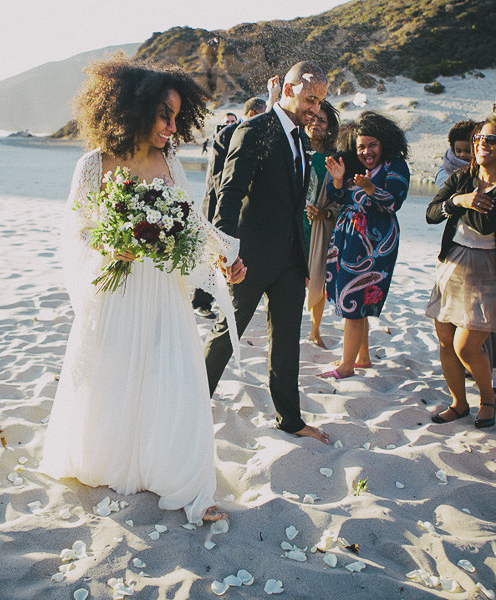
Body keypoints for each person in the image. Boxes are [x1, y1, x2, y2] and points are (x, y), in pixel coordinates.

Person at [40, 57, 246, 523]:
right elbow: (77, 231)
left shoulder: (168, 160)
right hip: (116, 291)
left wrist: (225, 256)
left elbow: (191, 219)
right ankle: (107, 459)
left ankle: (182, 477)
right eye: (164, 115)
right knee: (112, 375)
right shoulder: (93, 164)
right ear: (132, 109)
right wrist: (114, 246)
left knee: (173, 376)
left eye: (177, 116)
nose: (173, 127)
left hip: (163, 291)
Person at [204, 61, 331, 443]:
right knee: (228, 332)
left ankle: (289, 419)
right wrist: (227, 253)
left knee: (288, 340)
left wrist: (303, 259)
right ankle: (192, 402)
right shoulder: (253, 129)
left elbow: (294, 205)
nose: (316, 108)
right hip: (249, 259)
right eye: (311, 98)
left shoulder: (301, 138)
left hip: (291, 262)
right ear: (289, 89)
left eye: (321, 101)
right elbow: (228, 195)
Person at [322, 111, 410, 379]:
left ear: (384, 143)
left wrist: (371, 188)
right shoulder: (353, 164)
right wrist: (338, 179)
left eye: (372, 145)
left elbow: (394, 202)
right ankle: (363, 357)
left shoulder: (395, 166)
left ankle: (346, 367)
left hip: (374, 244)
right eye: (361, 146)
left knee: (354, 301)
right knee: (353, 301)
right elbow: (338, 198)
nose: (366, 151)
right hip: (347, 240)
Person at [425, 115, 496, 428]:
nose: (482, 145)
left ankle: (488, 399)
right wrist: (460, 199)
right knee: (445, 339)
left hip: (488, 269)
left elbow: (484, 225)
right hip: (452, 263)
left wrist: (460, 203)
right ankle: (458, 403)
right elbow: (431, 213)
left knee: (466, 346)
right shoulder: (464, 177)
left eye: (491, 140)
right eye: (480, 139)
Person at [192, 97, 267, 318]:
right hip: (216, 202)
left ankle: (221, 297)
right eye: (263, 114)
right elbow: (217, 176)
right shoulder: (228, 133)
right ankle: (201, 302)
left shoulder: (255, 134)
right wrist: (227, 201)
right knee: (210, 253)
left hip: (236, 206)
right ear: (253, 114)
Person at [303, 100, 340, 348]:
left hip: (318, 228)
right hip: (291, 225)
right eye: (312, 117)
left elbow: (340, 197)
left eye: (322, 120)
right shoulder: (293, 148)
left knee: (318, 280)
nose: (315, 123)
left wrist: (324, 213)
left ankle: (315, 330)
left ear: (329, 128)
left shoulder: (334, 159)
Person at [435, 119, 477, 188]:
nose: (462, 155)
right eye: (458, 151)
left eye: (467, 151)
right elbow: (443, 187)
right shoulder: (447, 166)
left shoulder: (483, 166)